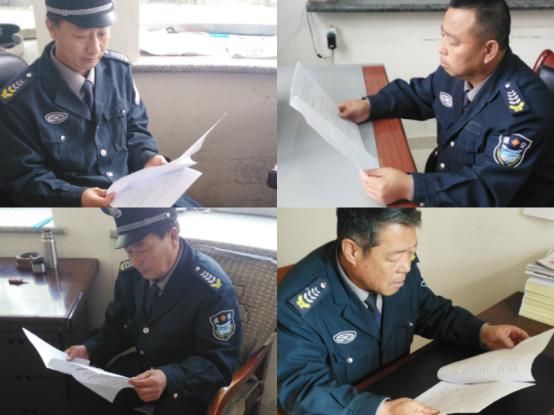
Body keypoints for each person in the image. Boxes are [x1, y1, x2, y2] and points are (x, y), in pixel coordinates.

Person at [278, 208, 529, 415]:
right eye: (395, 257)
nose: (407, 267)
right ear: (352, 251)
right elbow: (301, 390)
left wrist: (482, 332)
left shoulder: (400, 267)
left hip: (402, 391)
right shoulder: (297, 305)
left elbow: (430, 311)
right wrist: (381, 410)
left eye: (412, 252)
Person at [338, 0, 554, 207]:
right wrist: (370, 106)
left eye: (453, 42)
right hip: (446, 184)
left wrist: (409, 186)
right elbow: (420, 94)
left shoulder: (523, 111)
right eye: (443, 36)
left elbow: (485, 190)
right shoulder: (459, 71)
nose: (441, 48)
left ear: (489, 50)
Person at [0, 0, 197, 207]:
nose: (94, 49)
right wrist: (78, 197)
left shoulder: (118, 70)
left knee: (197, 216)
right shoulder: (20, 99)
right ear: (51, 27)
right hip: (74, 207)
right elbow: (23, 178)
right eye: (80, 36)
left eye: (102, 34)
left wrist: (147, 157)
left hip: (133, 193)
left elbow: (134, 127)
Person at [65, 208, 242, 415]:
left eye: (142, 249)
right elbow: (117, 326)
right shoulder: (131, 275)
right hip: (145, 365)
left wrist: (169, 377)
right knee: (88, 393)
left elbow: (219, 363)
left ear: (173, 236)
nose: (135, 261)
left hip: (187, 382)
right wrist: (90, 348)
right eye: (129, 251)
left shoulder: (210, 289)